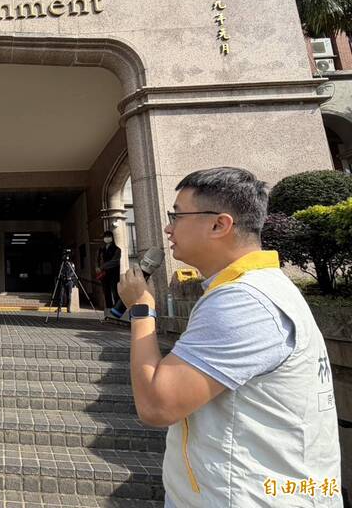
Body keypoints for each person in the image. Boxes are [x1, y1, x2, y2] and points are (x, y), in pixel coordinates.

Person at [117, 167, 341, 507]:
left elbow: (156, 405)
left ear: (219, 224)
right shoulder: (256, 289)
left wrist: (142, 309)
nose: (168, 227)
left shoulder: (244, 301)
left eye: (176, 216)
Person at [96, 230, 121, 309]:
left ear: (112, 238)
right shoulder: (101, 249)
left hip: (114, 274)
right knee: (106, 293)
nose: (107, 238)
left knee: (115, 292)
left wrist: (101, 267)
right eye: (105, 237)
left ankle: (117, 311)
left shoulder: (117, 249)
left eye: (108, 237)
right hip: (104, 274)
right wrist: (96, 267)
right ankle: (108, 310)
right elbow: (97, 259)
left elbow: (115, 261)